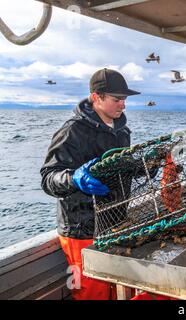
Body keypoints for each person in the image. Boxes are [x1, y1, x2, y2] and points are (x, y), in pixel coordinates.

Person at [40, 68, 140, 300]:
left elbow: (122, 169)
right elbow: (48, 178)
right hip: (81, 229)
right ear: (96, 97)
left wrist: (147, 165)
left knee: (118, 290)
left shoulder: (122, 132)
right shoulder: (72, 131)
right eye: (117, 99)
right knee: (92, 293)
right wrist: (74, 178)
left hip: (115, 224)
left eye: (124, 99)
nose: (123, 105)